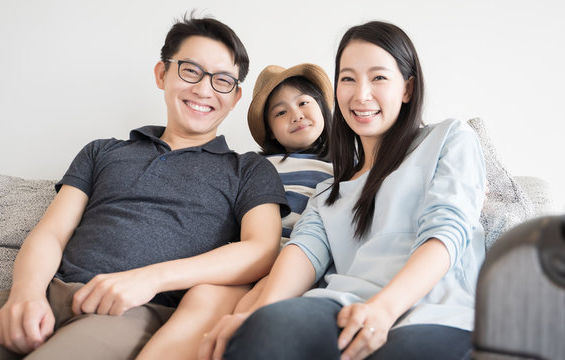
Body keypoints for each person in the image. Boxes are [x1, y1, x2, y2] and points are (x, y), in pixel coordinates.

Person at [0, 14, 289, 360]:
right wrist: (26, 293)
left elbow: (262, 249)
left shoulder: (249, 168)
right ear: (162, 74)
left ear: (235, 98)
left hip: (135, 312)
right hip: (47, 296)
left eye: (222, 80)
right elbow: (52, 232)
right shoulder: (103, 150)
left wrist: (148, 280)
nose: (204, 89)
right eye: (190, 70)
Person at [198, 20, 487, 360]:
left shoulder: (449, 138)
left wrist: (382, 311)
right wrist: (254, 314)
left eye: (378, 77)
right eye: (348, 78)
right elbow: (302, 253)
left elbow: (447, 231)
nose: (361, 95)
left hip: (436, 311)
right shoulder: (327, 191)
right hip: (340, 306)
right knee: (262, 332)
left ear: (407, 88)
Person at [137, 63, 334, 359]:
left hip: (296, 262)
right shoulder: (254, 165)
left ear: (323, 108)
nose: (295, 114)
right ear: (270, 130)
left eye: (304, 102)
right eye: (280, 112)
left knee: (250, 311)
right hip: (246, 258)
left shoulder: (345, 166)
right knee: (202, 297)